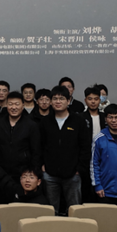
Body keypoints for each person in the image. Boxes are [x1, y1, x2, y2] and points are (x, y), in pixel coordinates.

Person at [39, 85, 90, 215]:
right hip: (50, 174)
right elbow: (40, 145)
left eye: (61, 98)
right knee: (51, 211)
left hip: (73, 174)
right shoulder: (45, 122)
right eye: (55, 98)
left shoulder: (79, 121)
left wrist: (79, 169)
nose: (58, 101)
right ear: (51, 102)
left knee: (74, 211)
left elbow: (85, 147)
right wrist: (42, 165)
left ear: (68, 101)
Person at [0, 91, 42, 181]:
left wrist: (33, 171)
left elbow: (36, 151)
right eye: (10, 104)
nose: (14, 107)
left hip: (23, 172)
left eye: (17, 104)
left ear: (23, 106)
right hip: (2, 171)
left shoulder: (31, 125)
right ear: (6, 105)